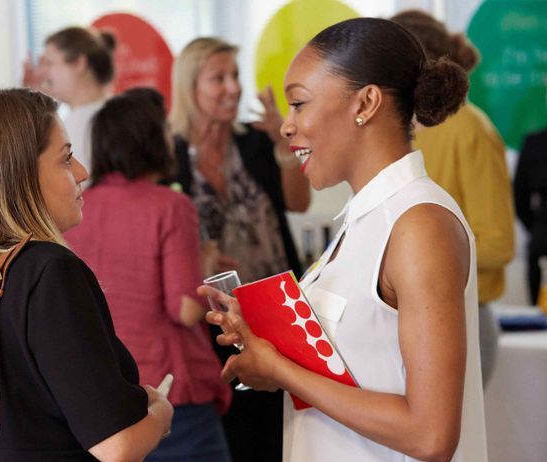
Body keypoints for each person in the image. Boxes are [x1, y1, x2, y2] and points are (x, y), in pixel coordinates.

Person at [203, 17, 487, 461]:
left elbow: (430, 435)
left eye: (299, 104)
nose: (286, 126)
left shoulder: (417, 224)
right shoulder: (366, 218)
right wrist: (267, 341)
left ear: (367, 102)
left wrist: (279, 369)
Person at [0, 88, 173, 461]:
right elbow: (117, 446)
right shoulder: (51, 272)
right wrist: (161, 412)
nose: (83, 173)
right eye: (66, 159)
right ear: (17, 174)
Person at [64, 88, 231, 462]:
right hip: (169, 389)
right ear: (151, 139)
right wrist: (204, 268)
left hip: (103, 393)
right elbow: (185, 308)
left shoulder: (76, 207)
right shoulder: (170, 205)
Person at [169, 37, 310, 462]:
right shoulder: (169, 154)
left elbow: (298, 202)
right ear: (190, 87)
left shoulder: (253, 142)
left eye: (235, 76)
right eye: (219, 78)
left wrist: (285, 148)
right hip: (213, 321)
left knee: (277, 431)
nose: (233, 88)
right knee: (233, 435)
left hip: (276, 314)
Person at [392, 9, 514, 386]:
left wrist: (412, 267)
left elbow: (497, 243)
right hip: (415, 319)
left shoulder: (469, 128)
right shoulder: (400, 128)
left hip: (462, 320)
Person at [23, 26, 115, 169]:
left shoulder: (82, 125)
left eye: (49, 63)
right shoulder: (110, 113)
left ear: (79, 63)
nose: (41, 72)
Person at [514, 127, 547, 304]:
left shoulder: (535, 143)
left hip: (541, 235)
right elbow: (520, 196)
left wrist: (536, 229)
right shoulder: (534, 142)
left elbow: (520, 196)